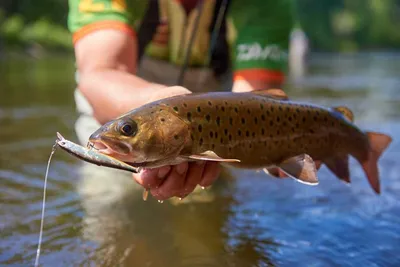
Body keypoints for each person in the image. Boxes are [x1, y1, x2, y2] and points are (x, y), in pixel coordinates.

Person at [67, 0, 295, 201]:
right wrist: (157, 103)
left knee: (208, 214)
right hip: (121, 98)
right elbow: (101, 72)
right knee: (108, 202)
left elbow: (256, 104)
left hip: (219, 111)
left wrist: (282, 152)